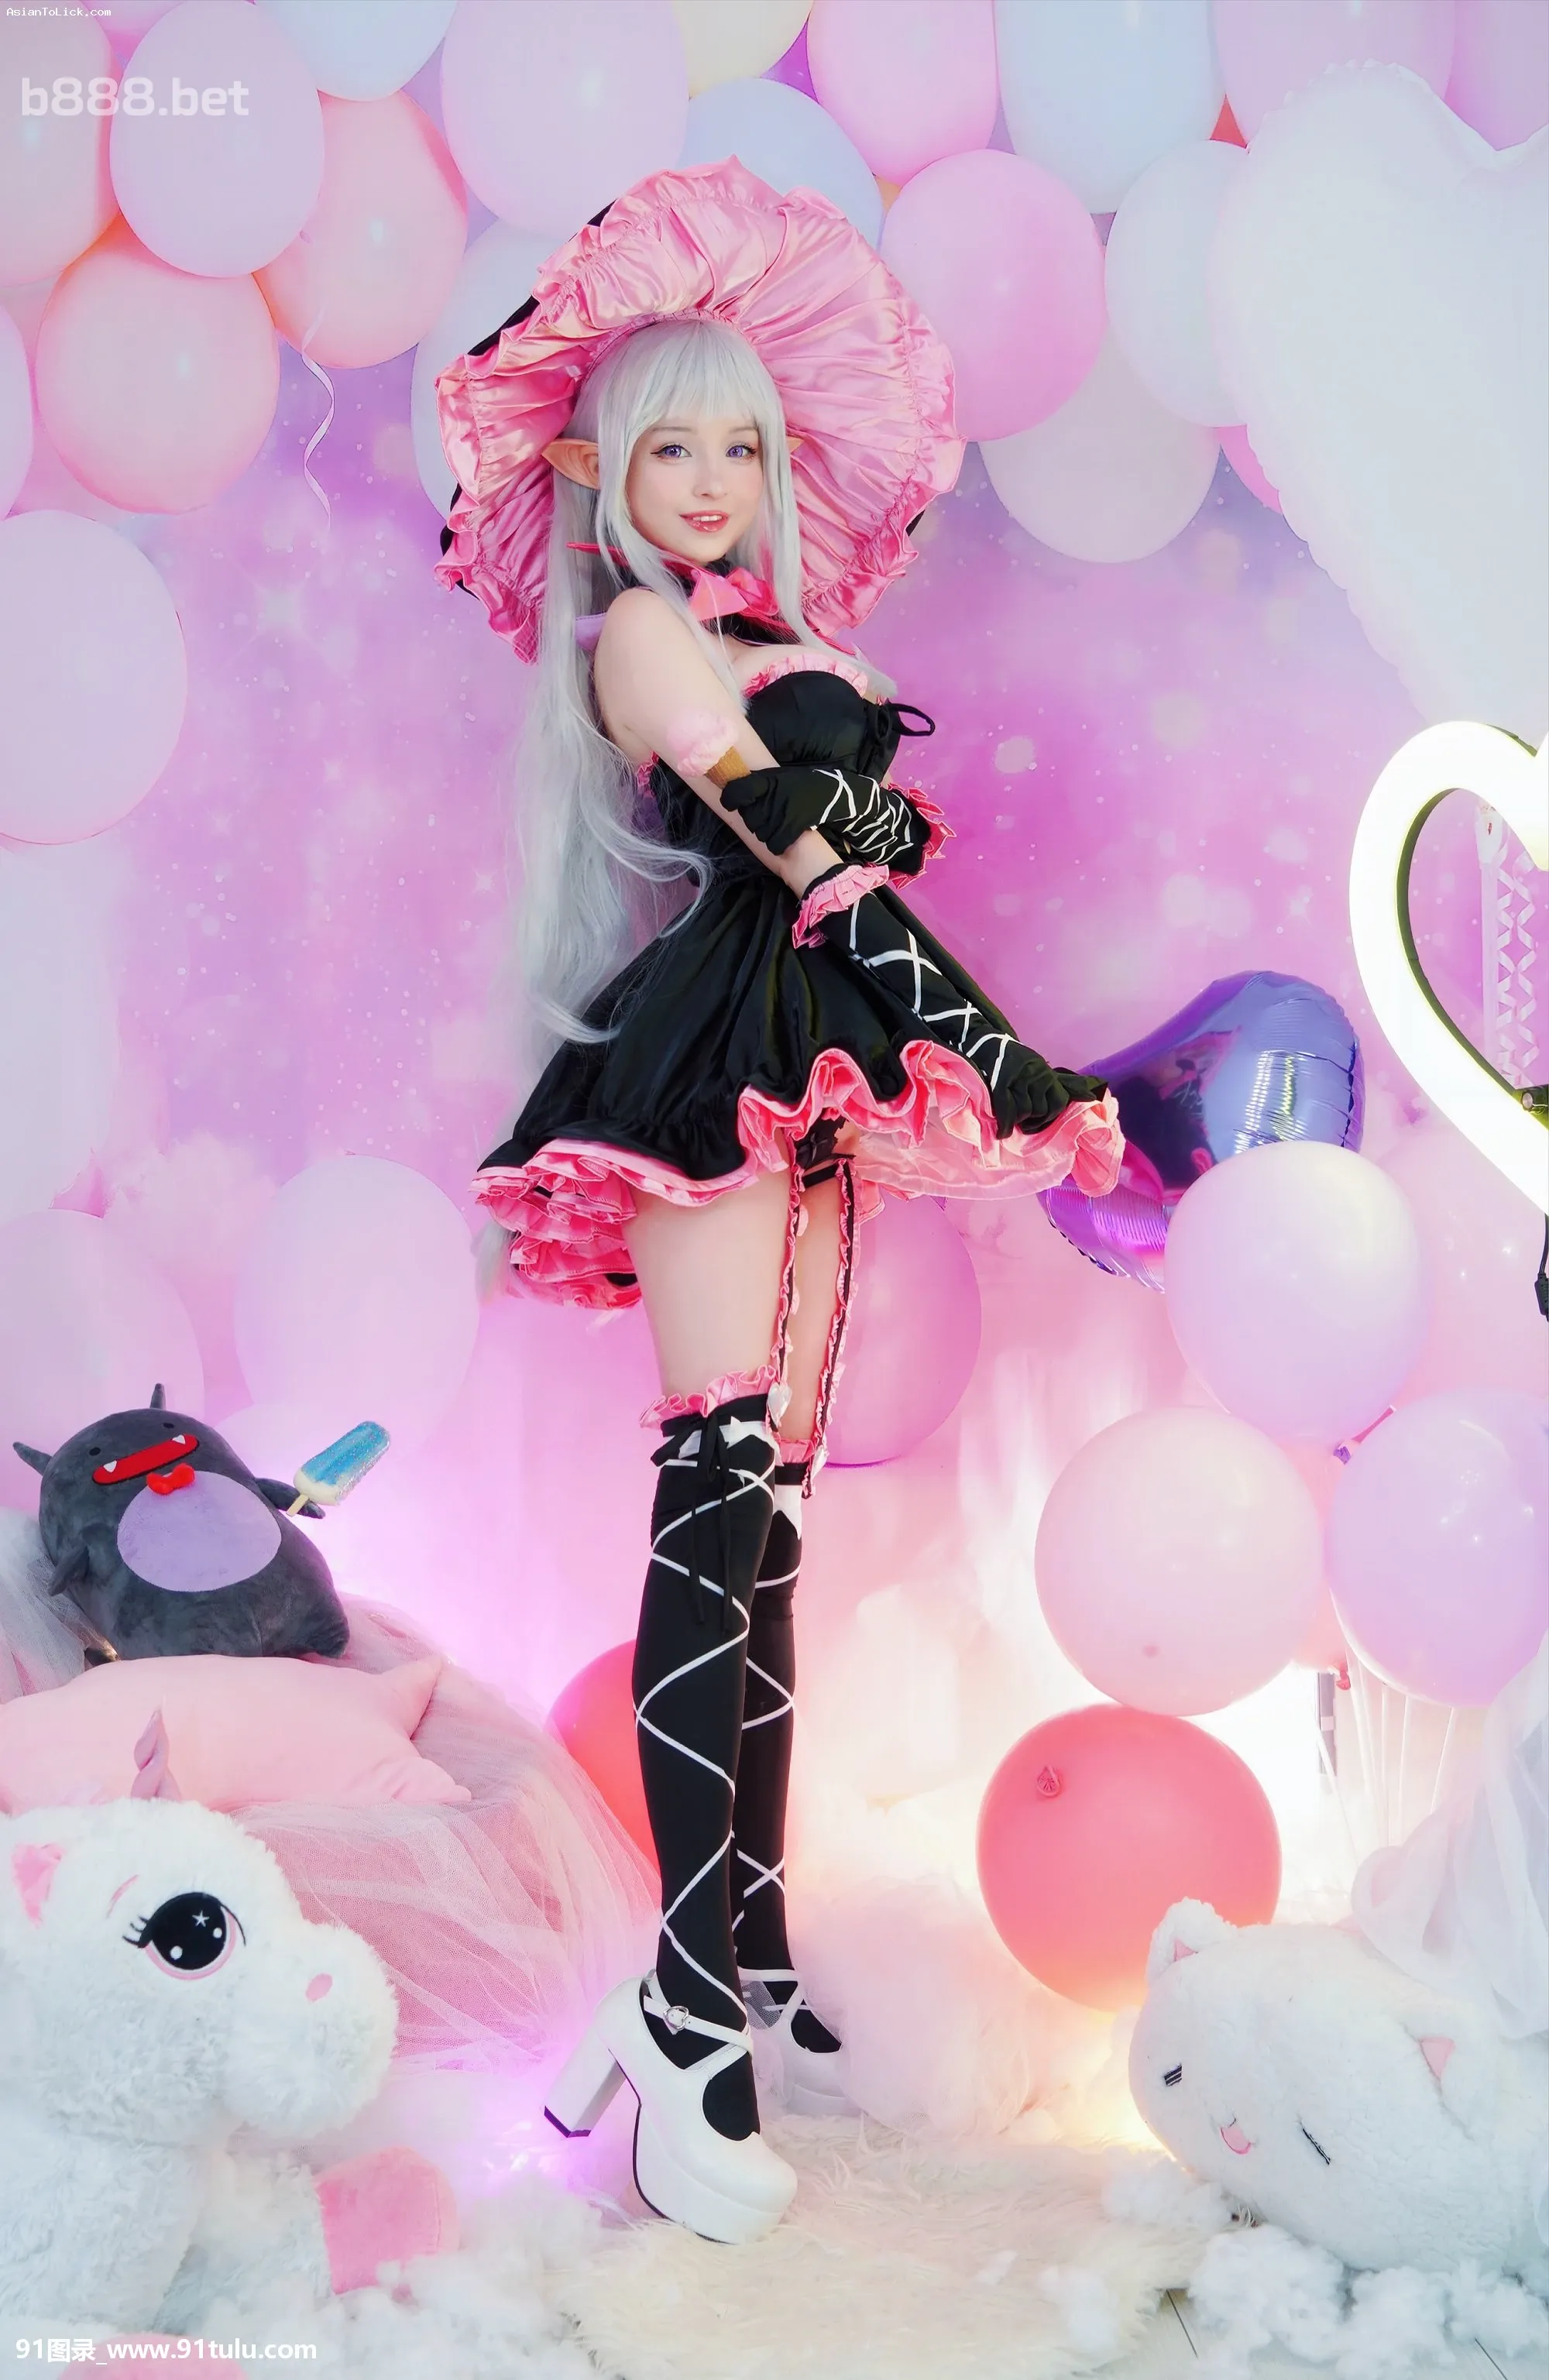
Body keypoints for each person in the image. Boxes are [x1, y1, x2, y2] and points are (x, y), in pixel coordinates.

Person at [435, 160, 1122, 2245]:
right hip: (714, 1065)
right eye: (674, 449)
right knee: (715, 1493)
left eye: (739, 446)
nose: (714, 482)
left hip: (810, 1061)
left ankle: (745, 1957)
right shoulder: (646, 635)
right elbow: (797, 845)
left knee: (778, 1525)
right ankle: (679, 2022)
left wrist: (971, 1042)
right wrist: (997, 1056)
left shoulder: (788, 630)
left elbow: (839, 856)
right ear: (608, 473)